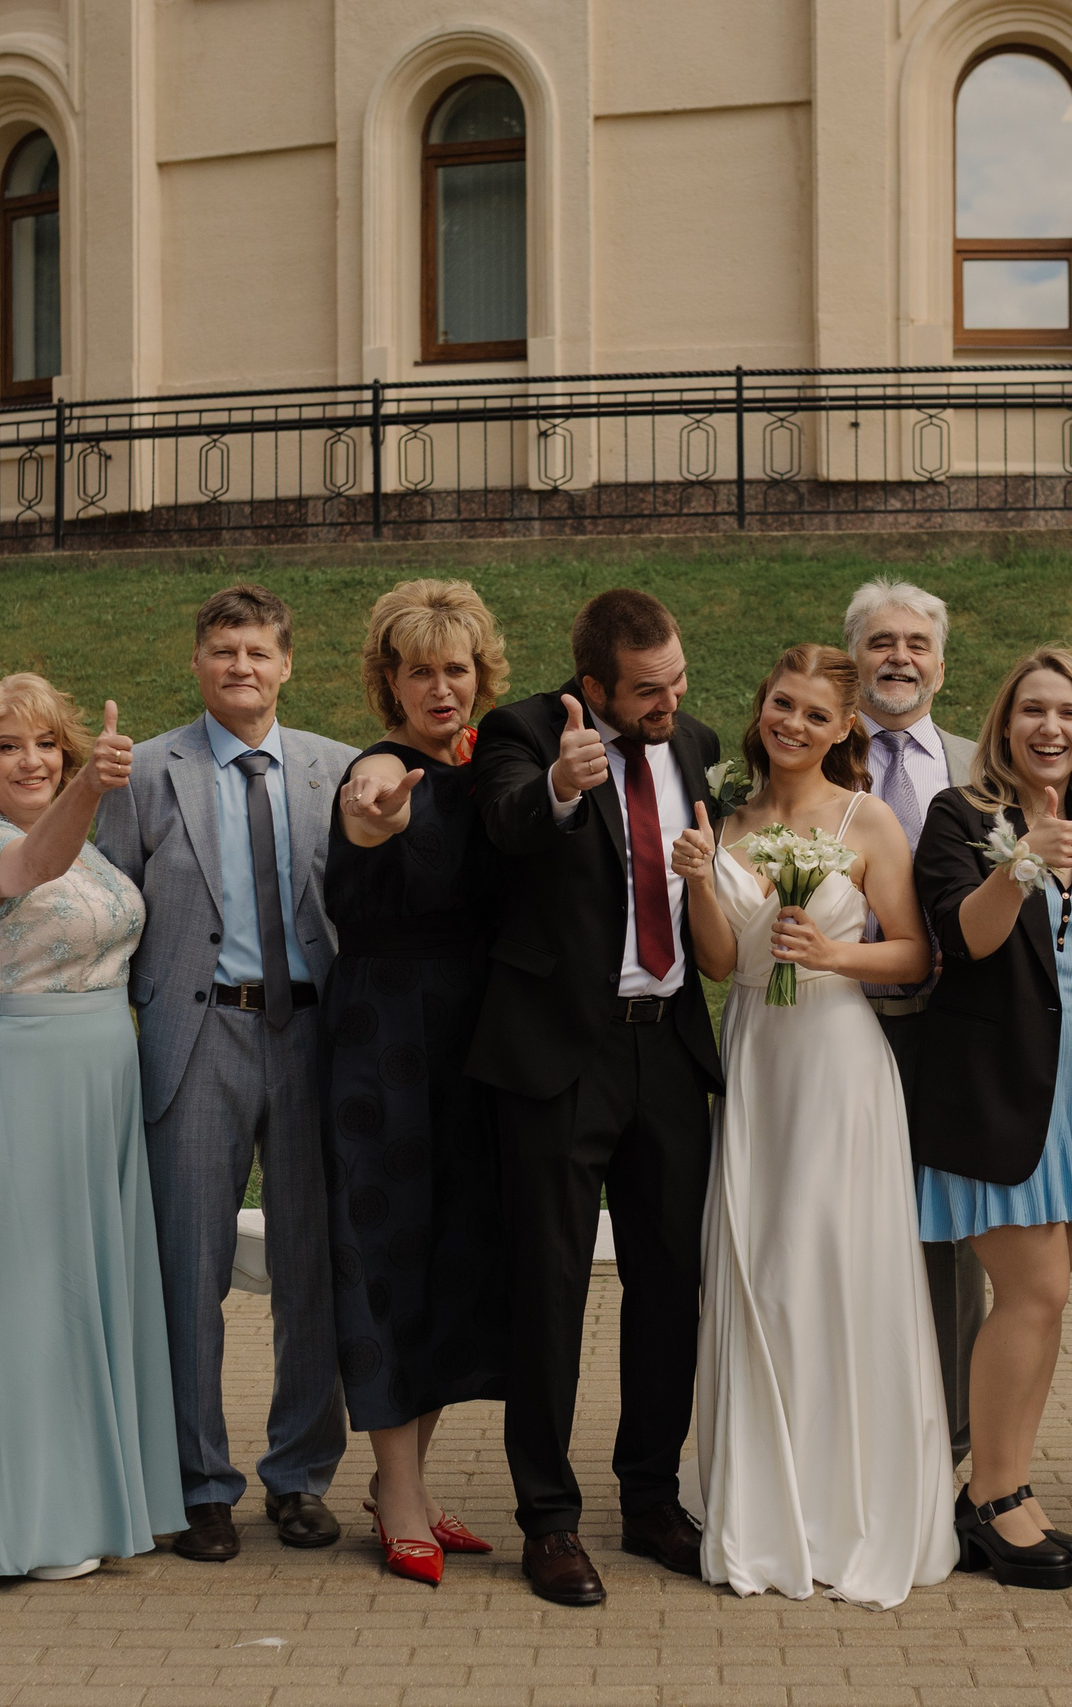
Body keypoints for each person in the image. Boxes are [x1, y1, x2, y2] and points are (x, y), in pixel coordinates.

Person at [673, 642, 957, 1609]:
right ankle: (762, 1497)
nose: (792, 723)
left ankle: (849, 1503)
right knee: (762, 1268)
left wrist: (835, 952)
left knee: (833, 1270)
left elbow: (916, 956)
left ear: (844, 731)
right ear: (761, 709)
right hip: (758, 1058)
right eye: (780, 704)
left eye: (813, 714)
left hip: (840, 1065)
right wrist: (702, 880)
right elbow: (718, 965)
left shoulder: (865, 818)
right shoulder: (728, 820)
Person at [467, 588, 723, 1607]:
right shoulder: (525, 733)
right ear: (593, 687)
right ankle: (549, 1518)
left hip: (665, 1050)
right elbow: (502, 825)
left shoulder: (695, 742)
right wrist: (563, 791)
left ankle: (651, 1497)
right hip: (556, 1059)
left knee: (671, 1284)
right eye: (648, 692)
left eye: (677, 683)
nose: (669, 703)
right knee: (549, 1290)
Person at [93, 585, 358, 1564]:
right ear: (197, 663)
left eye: (257, 653)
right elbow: (105, 914)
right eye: (221, 653)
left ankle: (298, 1477)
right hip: (194, 1041)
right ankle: (197, 1483)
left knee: (311, 1274)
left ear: (287, 664)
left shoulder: (337, 769)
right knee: (187, 1271)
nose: (240, 667)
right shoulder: (143, 774)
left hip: (311, 1043)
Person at [0, 674, 183, 1584]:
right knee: (33, 1297)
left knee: (96, 1287)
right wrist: (88, 790)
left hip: (105, 1073)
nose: (32, 760)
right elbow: (29, 869)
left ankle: (106, 1498)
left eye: (47, 745)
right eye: (8, 746)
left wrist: (87, 802)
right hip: (29, 1076)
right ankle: (29, 1519)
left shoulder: (94, 851)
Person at [899, 646, 1072, 1589]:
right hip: (993, 1093)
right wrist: (1021, 865)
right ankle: (994, 1500)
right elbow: (964, 936)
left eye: (1069, 713)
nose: (1050, 728)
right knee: (1035, 1297)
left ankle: (1005, 1482)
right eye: (1033, 710)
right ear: (1003, 724)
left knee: (1039, 1304)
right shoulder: (960, 816)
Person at [323, 581, 514, 1587]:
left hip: (473, 1041)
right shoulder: (379, 773)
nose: (441, 689)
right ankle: (393, 1491)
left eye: (456, 669)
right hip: (385, 1041)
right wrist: (374, 813)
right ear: (386, 683)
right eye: (419, 672)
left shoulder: (489, 769)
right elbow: (362, 838)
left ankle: (411, 1480)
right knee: (388, 1257)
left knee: (453, 1258)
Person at [844, 576, 990, 1469]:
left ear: (941, 662)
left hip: (951, 1028)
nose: (899, 657)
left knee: (948, 1237)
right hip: (835, 1023)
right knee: (840, 1226)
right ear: (852, 656)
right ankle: (848, 1431)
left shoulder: (984, 766)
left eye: (916, 644)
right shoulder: (810, 760)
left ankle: (951, 1444)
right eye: (880, 642)